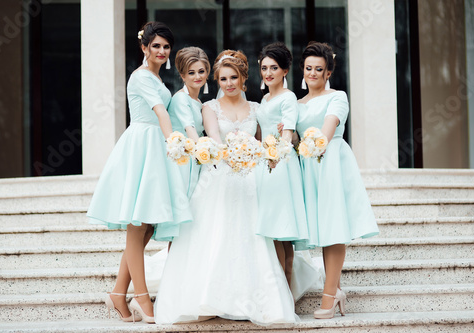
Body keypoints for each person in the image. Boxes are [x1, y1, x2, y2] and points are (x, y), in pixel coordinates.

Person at [154, 50, 298, 326]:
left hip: (250, 178)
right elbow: (215, 140)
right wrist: (234, 153)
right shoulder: (210, 107)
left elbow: (263, 140)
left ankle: (252, 299)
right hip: (218, 176)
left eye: (233, 77)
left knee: (251, 237)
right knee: (215, 234)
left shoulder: (257, 107)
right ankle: (208, 298)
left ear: (243, 77)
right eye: (222, 79)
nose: (229, 83)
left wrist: (262, 147)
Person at [86, 21, 192, 324]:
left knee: (146, 227)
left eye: (165, 46)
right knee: (138, 225)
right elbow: (160, 112)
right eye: (155, 45)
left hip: (155, 145)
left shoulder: (158, 78)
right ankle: (143, 300)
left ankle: (119, 292)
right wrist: (174, 142)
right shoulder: (142, 77)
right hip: (143, 147)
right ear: (144, 47)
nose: (161, 51)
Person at [296, 41, 379, 319]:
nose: (313, 73)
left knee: (333, 228)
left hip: (330, 162)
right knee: (321, 230)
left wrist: (313, 144)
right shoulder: (296, 104)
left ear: (328, 72)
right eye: (308, 68)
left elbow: (327, 130)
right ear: (303, 70)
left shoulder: (337, 96)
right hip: (307, 167)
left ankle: (329, 296)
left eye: (319, 69)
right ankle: (336, 288)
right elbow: (292, 137)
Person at [255, 42, 309, 288]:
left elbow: (288, 133)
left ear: (285, 70)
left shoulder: (288, 98)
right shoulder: (265, 98)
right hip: (264, 164)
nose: (268, 73)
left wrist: (276, 155)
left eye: (274, 68)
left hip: (280, 165)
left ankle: (283, 289)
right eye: (264, 68)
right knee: (277, 233)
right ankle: (283, 290)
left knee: (280, 230)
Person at [154, 47, 210, 242]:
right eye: (191, 73)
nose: (197, 77)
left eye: (201, 71)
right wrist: (210, 155)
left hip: (193, 163)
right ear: (182, 75)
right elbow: (190, 130)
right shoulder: (180, 99)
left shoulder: (198, 101)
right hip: (181, 166)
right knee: (179, 223)